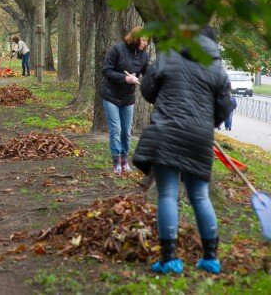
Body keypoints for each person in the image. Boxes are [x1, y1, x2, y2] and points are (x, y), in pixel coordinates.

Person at [133, 26, 233, 275]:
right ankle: (210, 258)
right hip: (199, 137)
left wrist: (164, 97)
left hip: (166, 131)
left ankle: (170, 260)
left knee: (167, 194)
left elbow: (147, 89)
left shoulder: (168, 56)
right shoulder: (216, 68)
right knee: (200, 195)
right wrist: (210, 122)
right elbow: (224, 105)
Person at [100, 26, 150, 174]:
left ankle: (124, 161)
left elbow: (148, 74)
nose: (146, 43)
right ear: (135, 38)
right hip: (110, 95)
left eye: (148, 41)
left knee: (126, 132)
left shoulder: (144, 56)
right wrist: (125, 78)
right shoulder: (117, 49)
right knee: (116, 129)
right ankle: (116, 163)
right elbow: (106, 70)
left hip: (128, 98)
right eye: (143, 39)